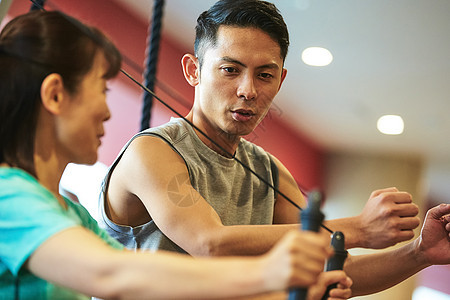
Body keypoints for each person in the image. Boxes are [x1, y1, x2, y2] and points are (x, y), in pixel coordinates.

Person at [99, 0, 450, 297]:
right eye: (229, 70)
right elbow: (209, 243)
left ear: (280, 79)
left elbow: (333, 270)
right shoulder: (153, 151)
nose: (248, 90)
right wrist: (359, 228)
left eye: (264, 75)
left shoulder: (268, 171)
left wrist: (420, 253)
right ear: (194, 70)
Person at [0, 10, 353, 300]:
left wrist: (295, 290)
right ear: (56, 95)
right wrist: (266, 272)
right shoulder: (8, 195)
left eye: (263, 75)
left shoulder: (72, 213)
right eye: (102, 89)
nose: (108, 111)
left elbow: (150, 281)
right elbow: (112, 275)